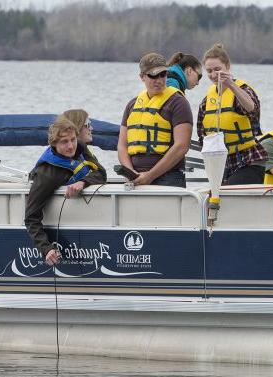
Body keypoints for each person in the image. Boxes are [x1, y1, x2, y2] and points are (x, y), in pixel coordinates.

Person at [25, 111, 107, 266]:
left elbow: (101, 173)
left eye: (73, 139)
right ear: (54, 143)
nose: (70, 146)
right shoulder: (47, 174)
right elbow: (31, 217)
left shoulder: (79, 148)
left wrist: (83, 182)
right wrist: (46, 249)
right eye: (64, 142)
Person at [118, 52, 192, 187]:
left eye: (163, 74)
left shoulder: (178, 103)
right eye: (153, 75)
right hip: (135, 179)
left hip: (168, 178)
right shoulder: (132, 105)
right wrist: (129, 172)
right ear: (142, 77)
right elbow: (122, 145)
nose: (159, 80)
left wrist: (150, 175)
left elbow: (182, 146)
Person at [197, 43, 267, 185]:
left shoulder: (242, 90)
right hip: (222, 164)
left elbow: (251, 108)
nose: (213, 75)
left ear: (227, 67)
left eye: (217, 69)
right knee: (215, 201)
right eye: (209, 71)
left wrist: (231, 85)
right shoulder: (207, 101)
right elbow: (202, 135)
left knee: (227, 196)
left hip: (249, 160)